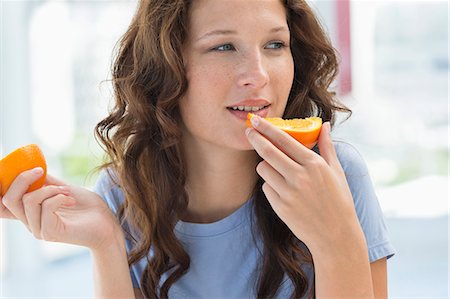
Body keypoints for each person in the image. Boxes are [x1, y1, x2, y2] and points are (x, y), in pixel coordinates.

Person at [0, 0, 396, 298]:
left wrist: (336, 237)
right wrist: (106, 243)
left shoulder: (335, 174)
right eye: (224, 47)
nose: (258, 75)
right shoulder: (124, 193)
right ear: (166, 65)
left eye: (275, 44)